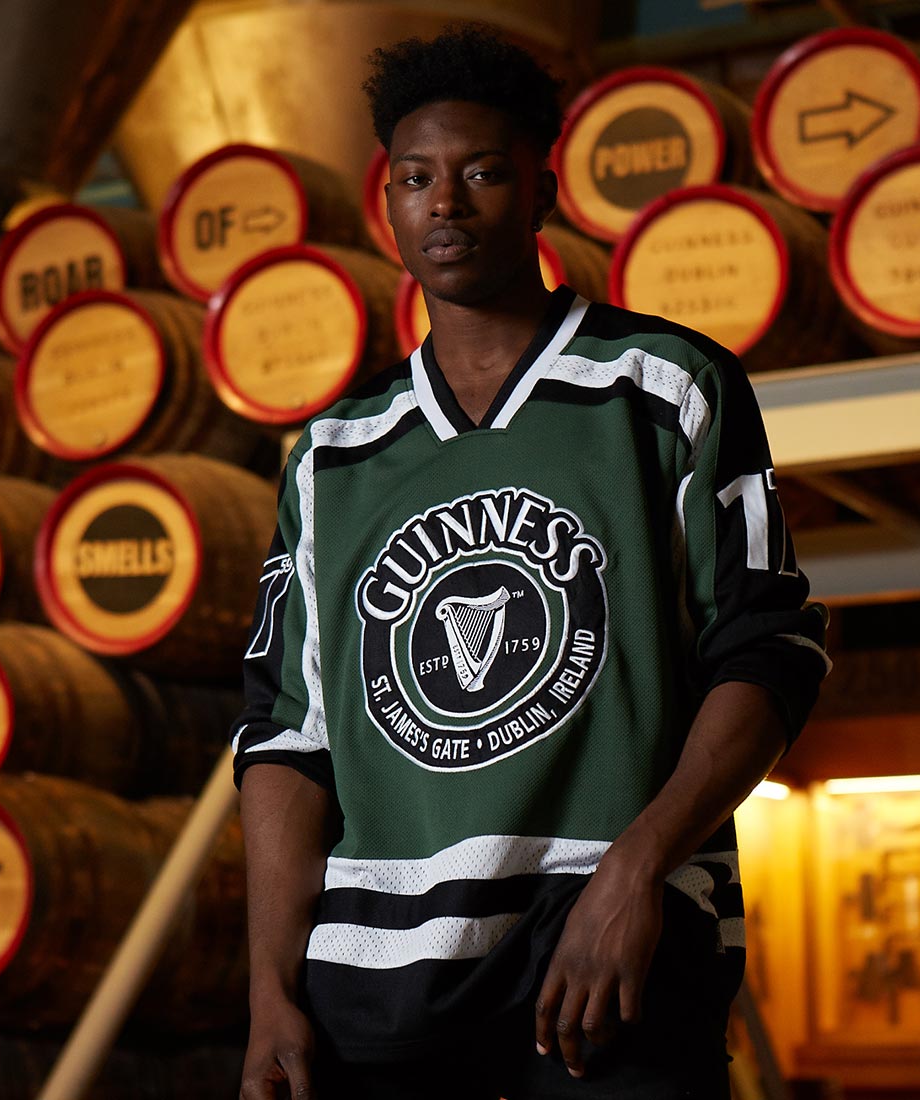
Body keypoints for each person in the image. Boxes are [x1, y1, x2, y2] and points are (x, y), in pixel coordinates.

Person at [232, 25, 829, 1100]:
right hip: (381, 975)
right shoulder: (332, 454)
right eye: (416, 179)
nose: (445, 204)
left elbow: (768, 652)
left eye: (480, 173)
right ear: (389, 207)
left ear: (542, 190)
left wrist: (637, 867)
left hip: (607, 942)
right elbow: (288, 739)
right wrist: (270, 987)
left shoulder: (665, 386)